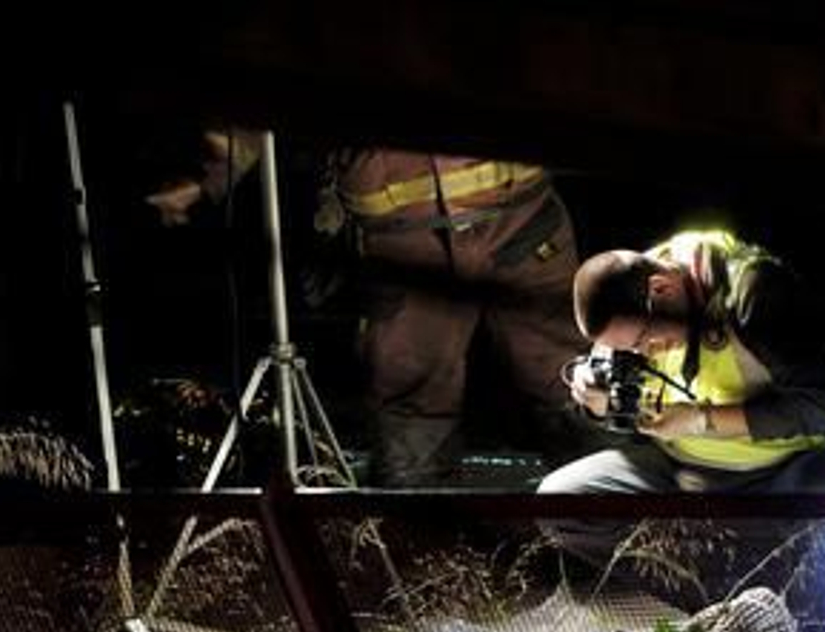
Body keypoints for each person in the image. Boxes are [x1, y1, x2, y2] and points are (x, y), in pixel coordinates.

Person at [146, 131, 603, 485]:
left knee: (574, 380)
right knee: (410, 399)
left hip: (520, 225)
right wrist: (200, 180)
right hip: (405, 245)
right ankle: (426, 556)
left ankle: (619, 527)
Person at [538, 228, 825, 617]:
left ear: (662, 288)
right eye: (628, 349)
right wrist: (596, 398)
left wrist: (702, 420)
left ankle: (806, 623)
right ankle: (725, 607)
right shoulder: (633, 303)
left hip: (786, 469)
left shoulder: (754, 293)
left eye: (644, 341)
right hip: (684, 471)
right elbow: (619, 396)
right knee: (559, 500)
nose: (643, 353)